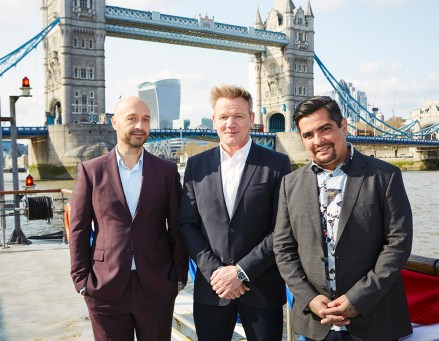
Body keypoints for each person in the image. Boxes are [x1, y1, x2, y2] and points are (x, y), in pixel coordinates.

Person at [273, 96, 413, 341]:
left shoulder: (385, 176)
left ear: (344, 126)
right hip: (316, 323)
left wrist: (357, 299)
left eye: (325, 129)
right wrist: (309, 298)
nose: (318, 141)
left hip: (374, 321)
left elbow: (398, 244)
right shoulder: (290, 183)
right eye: (308, 135)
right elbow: (283, 249)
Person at [69, 96, 188, 341]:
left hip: (157, 285)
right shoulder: (91, 171)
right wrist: (81, 280)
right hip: (104, 287)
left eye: (145, 120)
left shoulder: (166, 171)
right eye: (132, 118)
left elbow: (177, 227)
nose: (140, 126)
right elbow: (79, 230)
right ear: (114, 122)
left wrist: (178, 276)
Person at [179, 84, 291, 341]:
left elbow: (283, 228)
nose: (231, 123)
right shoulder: (197, 165)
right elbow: (187, 224)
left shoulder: (276, 164)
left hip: (261, 287)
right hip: (212, 289)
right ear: (214, 121)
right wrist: (216, 274)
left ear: (252, 119)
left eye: (239, 116)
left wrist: (240, 272)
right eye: (223, 117)